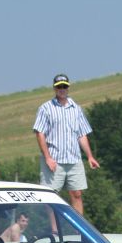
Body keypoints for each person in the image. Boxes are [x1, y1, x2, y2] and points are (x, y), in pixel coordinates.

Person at [32, 73, 100, 215]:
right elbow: (40, 133)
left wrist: (90, 156)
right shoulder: (46, 108)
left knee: (77, 194)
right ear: (54, 89)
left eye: (64, 86)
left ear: (68, 88)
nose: (62, 89)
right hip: (54, 160)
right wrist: (48, 157)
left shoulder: (76, 108)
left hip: (74, 159)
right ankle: (55, 232)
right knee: (51, 197)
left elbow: (81, 134)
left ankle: (80, 231)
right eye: (59, 87)